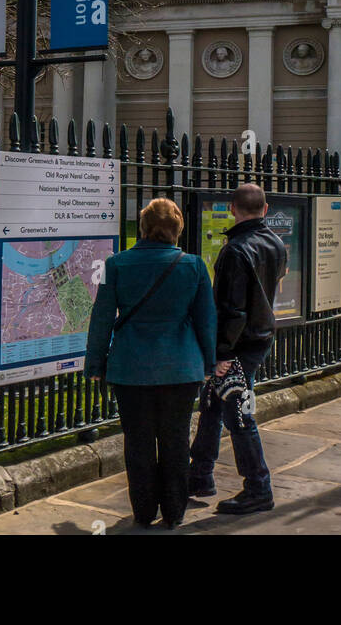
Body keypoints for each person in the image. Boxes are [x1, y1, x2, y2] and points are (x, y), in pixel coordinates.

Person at [85, 197, 215, 529]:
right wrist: (209, 363)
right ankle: (174, 510)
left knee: (138, 441)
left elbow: (101, 318)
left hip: (131, 367)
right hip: (181, 366)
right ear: (177, 229)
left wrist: (95, 364)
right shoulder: (194, 266)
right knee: (175, 439)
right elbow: (205, 321)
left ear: (142, 227)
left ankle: (143, 510)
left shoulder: (116, 265)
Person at [189, 182, 288, 516]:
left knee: (239, 415)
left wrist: (222, 354)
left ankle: (258, 487)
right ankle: (199, 474)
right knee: (212, 403)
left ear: (232, 209)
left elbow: (232, 310)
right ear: (264, 209)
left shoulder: (235, 250)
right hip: (259, 337)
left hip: (239, 345)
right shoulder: (275, 242)